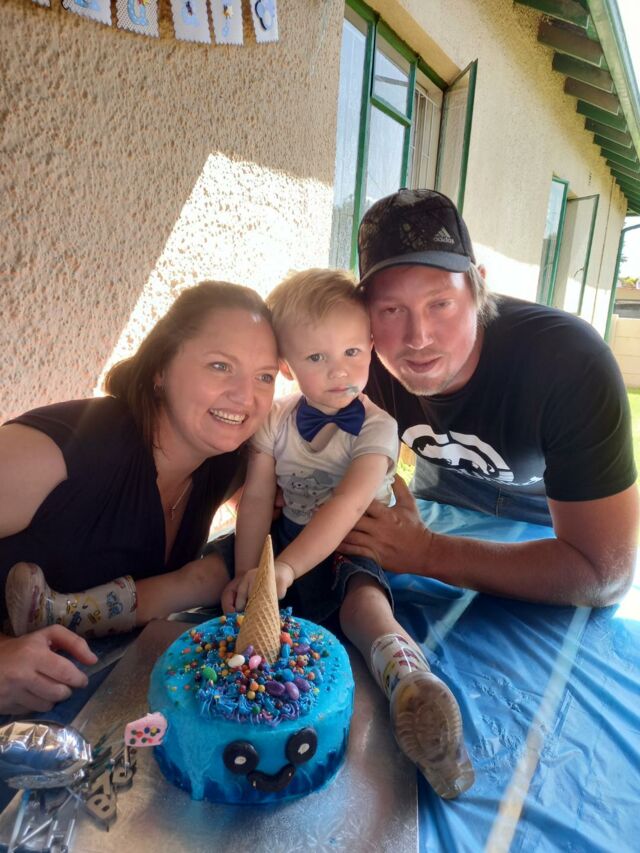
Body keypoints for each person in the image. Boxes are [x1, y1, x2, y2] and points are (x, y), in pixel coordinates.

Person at [220, 269, 475, 800]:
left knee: (363, 605)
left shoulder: (378, 427)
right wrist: (252, 573)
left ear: (371, 348)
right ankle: (91, 609)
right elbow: (258, 498)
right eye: (317, 357)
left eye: (353, 352)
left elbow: (347, 504)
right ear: (287, 366)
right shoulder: (276, 419)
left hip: (354, 540)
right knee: (206, 570)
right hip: (285, 539)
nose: (339, 371)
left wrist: (285, 568)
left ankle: (411, 685)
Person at [339, 188, 638, 608]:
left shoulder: (571, 362)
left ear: (478, 287)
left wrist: (426, 551)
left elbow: (606, 573)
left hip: (545, 523)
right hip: (436, 501)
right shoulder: (359, 359)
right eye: (391, 309)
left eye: (440, 303)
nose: (418, 338)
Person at [0, 280, 279, 715]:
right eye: (220, 366)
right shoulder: (71, 449)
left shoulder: (222, 462)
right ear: (160, 369)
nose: (246, 396)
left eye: (265, 376)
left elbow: (279, 508)